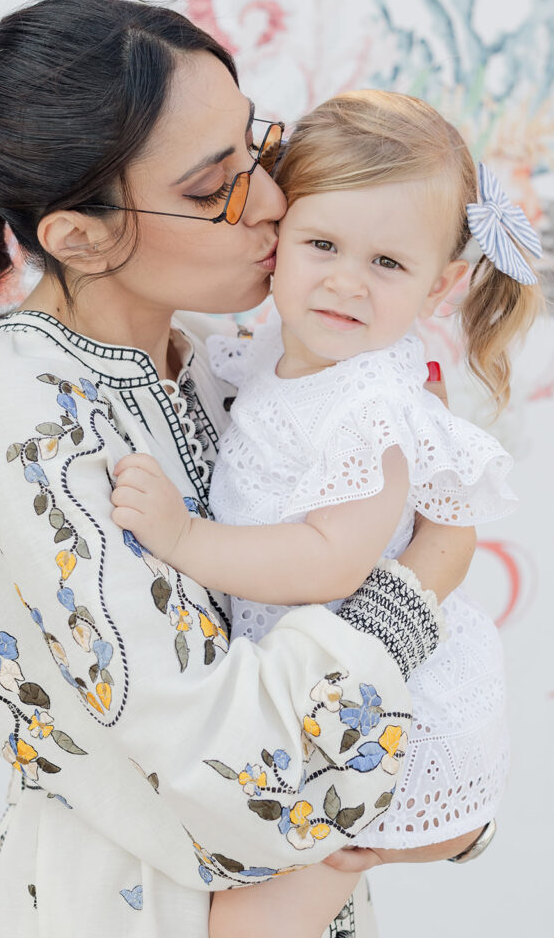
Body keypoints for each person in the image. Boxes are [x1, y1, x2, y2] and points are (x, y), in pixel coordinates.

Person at [0, 0, 483, 938]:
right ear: (78, 237)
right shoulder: (18, 410)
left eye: (257, 149)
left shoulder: (219, 362)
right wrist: (427, 575)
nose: (275, 201)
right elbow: (244, 771)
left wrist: (443, 796)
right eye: (216, 189)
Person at [110, 90, 544, 937]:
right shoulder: (280, 354)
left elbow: (330, 559)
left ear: (439, 285)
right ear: (274, 240)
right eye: (322, 245)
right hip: (318, 706)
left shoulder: (369, 405)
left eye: (386, 263)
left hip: (377, 721)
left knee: (244, 932)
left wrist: (183, 537)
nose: (346, 281)